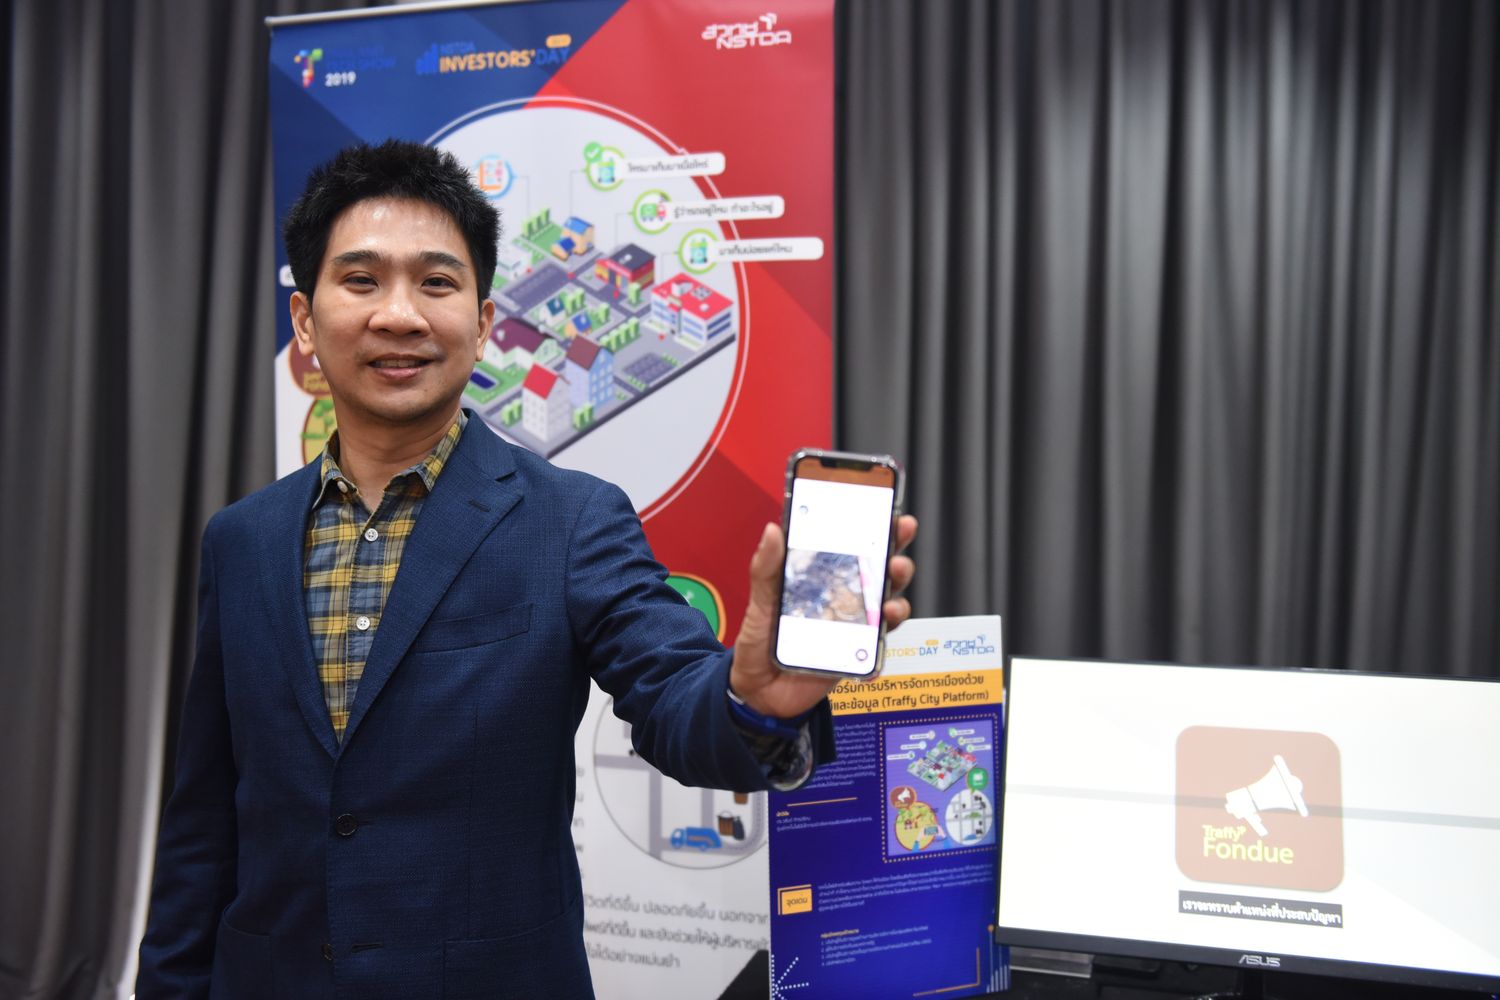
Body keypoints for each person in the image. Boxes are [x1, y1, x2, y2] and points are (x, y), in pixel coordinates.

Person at [136, 139, 917, 1000]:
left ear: (482, 323)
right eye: (361, 280)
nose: (399, 315)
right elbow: (204, 816)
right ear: (304, 322)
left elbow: (671, 697)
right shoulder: (240, 540)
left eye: (436, 283)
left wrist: (753, 699)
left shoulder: (570, 520)